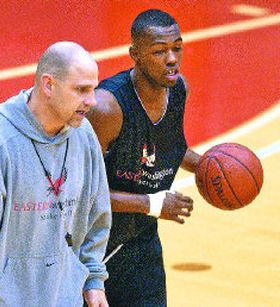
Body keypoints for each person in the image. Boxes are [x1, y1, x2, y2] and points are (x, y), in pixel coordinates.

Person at [0, 41, 111, 307]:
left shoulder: (84, 136)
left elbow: (96, 217)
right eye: (81, 90)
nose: (92, 101)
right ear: (49, 85)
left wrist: (93, 280)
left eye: (93, 89)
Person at [87, 9, 201, 306]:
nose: (172, 59)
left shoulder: (177, 90)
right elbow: (83, 192)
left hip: (142, 241)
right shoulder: (106, 108)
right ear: (135, 54)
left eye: (177, 47)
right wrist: (152, 204)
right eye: (159, 51)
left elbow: (167, 146)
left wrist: (207, 167)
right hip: (94, 249)